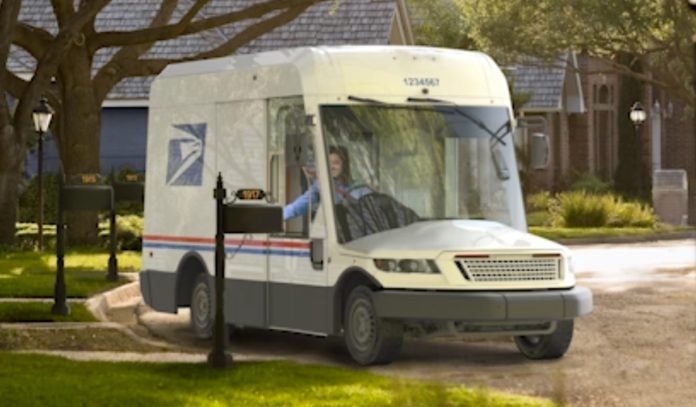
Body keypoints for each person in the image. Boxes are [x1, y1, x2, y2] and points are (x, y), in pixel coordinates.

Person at [283, 146, 369, 220]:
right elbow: (296, 207)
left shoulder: (360, 188)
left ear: (345, 165)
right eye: (328, 163)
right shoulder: (320, 187)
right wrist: (275, 217)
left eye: (336, 163)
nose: (331, 167)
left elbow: (371, 213)